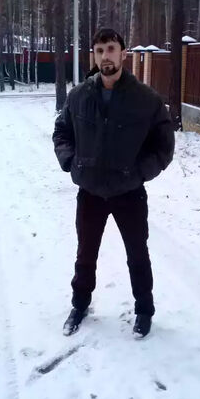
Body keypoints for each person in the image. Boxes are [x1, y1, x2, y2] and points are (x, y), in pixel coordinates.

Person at [52, 28, 175, 338]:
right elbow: (62, 132)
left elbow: (163, 146)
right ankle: (80, 304)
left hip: (129, 192)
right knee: (85, 253)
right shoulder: (79, 96)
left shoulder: (146, 99)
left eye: (110, 49)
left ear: (123, 53)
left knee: (138, 254)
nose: (105, 56)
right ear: (94, 56)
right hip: (90, 191)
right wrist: (71, 162)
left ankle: (144, 310)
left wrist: (138, 173)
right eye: (99, 50)